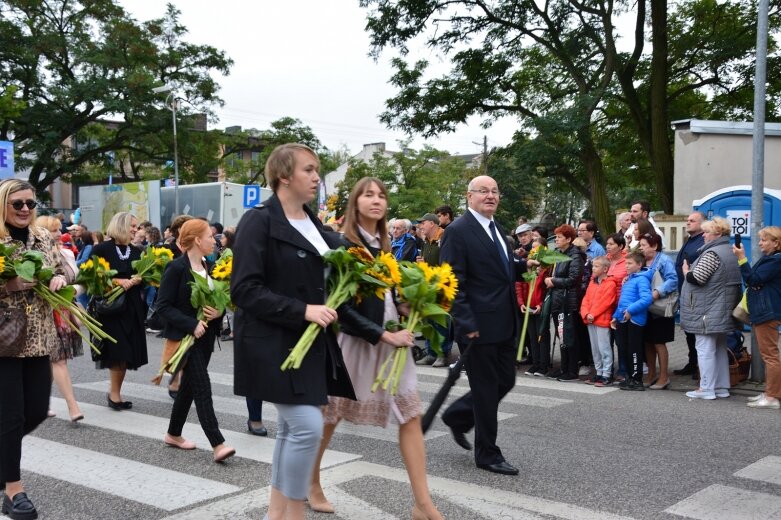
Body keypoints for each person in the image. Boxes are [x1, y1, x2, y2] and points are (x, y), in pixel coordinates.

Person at [231, 143, 355, 520]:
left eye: (317, 170)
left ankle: (277, 514)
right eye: (309, 170)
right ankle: (293, 513)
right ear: (284, 176)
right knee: (306, 427)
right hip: (273, 343)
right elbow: (244, 289)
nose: (317, 177)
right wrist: (303, 310)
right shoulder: (260, 220)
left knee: (290, 431)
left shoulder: (313, 222)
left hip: (308, 344)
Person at [310, 177, 442, 519]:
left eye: (381, 195)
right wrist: (384, 335)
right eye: (368, 195)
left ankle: (422, 503)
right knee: (329, 417)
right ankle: (310, 482)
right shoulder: (341, 244)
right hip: (357, 343)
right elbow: (340, 307)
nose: (376, 200)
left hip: (392, 341)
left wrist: (407, 307)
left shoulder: (387, 246)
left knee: (411, 417)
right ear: (355, 203)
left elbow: (385, 297)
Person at [439, 175, 528, 476]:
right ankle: (487, 454)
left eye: (494, 191)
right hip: (477, 324)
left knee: (505, 381)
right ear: (469, 196)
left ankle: (457, 415)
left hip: (504, 320)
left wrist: (521, 266)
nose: (490, 196)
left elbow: (497, 270)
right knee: (488, 389)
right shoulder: (457, 231)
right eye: (483, 191)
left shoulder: (496, 227)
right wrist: (466, 321)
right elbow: (452, 282)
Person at [0, 179, 68, 520]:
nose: (25, 209)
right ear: (3, 205)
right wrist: (7, 285)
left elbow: (65, 268)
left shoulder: (42, 237)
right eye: (17, 204)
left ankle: (3, 460)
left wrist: (61, 279)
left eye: (29, 203)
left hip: (40, 338)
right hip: (4, 340)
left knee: (37, 410)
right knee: (10, 416)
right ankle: (14, 491)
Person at [156, 219, 235, 461]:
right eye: (210, 237)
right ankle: (217, 443)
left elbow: (219, 299)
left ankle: (173, 433)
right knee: (203, 387)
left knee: (189, 388)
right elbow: (162, 306)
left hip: (206, 338)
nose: (215, 240)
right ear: (198, 240)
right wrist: (191, 323)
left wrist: (219, 312)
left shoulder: (210, 266)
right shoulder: (176, 268)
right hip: (185, 340)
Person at [679, 217, 741, 400]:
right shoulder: (728, 251)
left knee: (705, 348)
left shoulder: (712, 253)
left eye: (706, 232)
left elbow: (698, 278)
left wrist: (686, 272)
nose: (703, 235)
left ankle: (706, 388)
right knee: (720, 348)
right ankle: (721, 386)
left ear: (718, 234)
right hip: (721, 308)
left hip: (708, 309)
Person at [91, 212, 148, 409]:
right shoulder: (101, 249)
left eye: (136, 226)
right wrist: (116, 281)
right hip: (110, 309)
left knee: (126, 353)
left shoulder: (137, 252)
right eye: (132, 225)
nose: (135, 229)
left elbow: (144, 281)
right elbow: (92, 278)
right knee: (118, 351)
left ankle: (115, 393)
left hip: (132, 308)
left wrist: (141, 279)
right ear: (121, 226)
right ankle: (114, 395)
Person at [36, 216, 84, 423]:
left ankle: (43, 403)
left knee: (53, 359)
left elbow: (81, 282)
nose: (58, 233)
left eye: (57, 230)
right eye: (53, 230)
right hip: (42, 312)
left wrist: (72, 289)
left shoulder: (66, 253)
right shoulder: (35, 257)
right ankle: (72, 405)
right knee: (57, 359)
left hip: (64, 309)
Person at [733, 226, 781, 409]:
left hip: (767, 313)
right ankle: (772, 392)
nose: (759, 242)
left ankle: (772, 397)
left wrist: (741, 258)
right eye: (760, 239)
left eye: (764, 239)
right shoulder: (771, 259)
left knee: (770, 355)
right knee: (769, 354)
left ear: (776, 243)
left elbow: (753, 280)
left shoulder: (775, 261)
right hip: (765, 311)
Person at [544, 224, 585, 382]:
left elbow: (573, 278)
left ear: (569, 239)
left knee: (569, 335)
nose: (557, 240)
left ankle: (572, 369)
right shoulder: (557, 254)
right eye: (556, 237)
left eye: (560, 237)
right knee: (561, 335)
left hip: (568, 301)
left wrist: (554, 281)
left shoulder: (576, 256)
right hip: (557, 299)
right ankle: (563, 367)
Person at [638, 233, 677, 390]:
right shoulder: (642, 260)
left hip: (660, 308)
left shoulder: (664, 260)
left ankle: (663, 377)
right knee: (647, 341)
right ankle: (651, 374)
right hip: (646, 307)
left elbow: (673, 280)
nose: (640, 247)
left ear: (654, 246)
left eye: (643, 245)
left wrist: (657, 292)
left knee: (659, 342)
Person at [415, 212, 454, 368]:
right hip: (429, 285)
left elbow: (447, 264)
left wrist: (428, 266)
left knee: (442, 321)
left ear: (432, 223)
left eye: (422, 223)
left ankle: (443, 354)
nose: (420, 226)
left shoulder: (444, 239)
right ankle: (431, 353)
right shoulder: (427, 241)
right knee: (429, 320)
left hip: (443, 285)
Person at [611, 250, 653, 391]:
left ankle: (636, 379)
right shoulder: (629, 279)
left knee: (634, 349)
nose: (626, 266)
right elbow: (622, 301)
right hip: (623, 319)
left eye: (630, 263)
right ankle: (629, 377)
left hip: (635, 320)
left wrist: (631, 311)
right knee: (624, 349)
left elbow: (646, 299)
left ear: (639, 264)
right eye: (626, 263)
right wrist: (616, 317)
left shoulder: (642, 279)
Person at [673, 212, 706, 377]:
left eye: (692, 221)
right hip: (684, 292)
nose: (688, 223)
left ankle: (700, 366)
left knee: (696, 331)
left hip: (696, 294)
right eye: (688, 220)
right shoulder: (690, 241)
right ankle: (692, 363)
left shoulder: (702, 242)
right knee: (688, 331)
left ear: (702, 224)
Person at [580, 256, 617, 386]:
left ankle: (607, 374)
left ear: (605, 269)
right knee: (595, 349)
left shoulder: (610, 283)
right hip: (591, 320)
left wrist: (592, 314)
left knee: (604, 348)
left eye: (596, 266)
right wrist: (585, 313)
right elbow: (586, 300)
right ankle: (599, 372)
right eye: (593, 266)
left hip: (601, 320)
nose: (593, 268)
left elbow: (606, 302)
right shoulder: (592, 282)